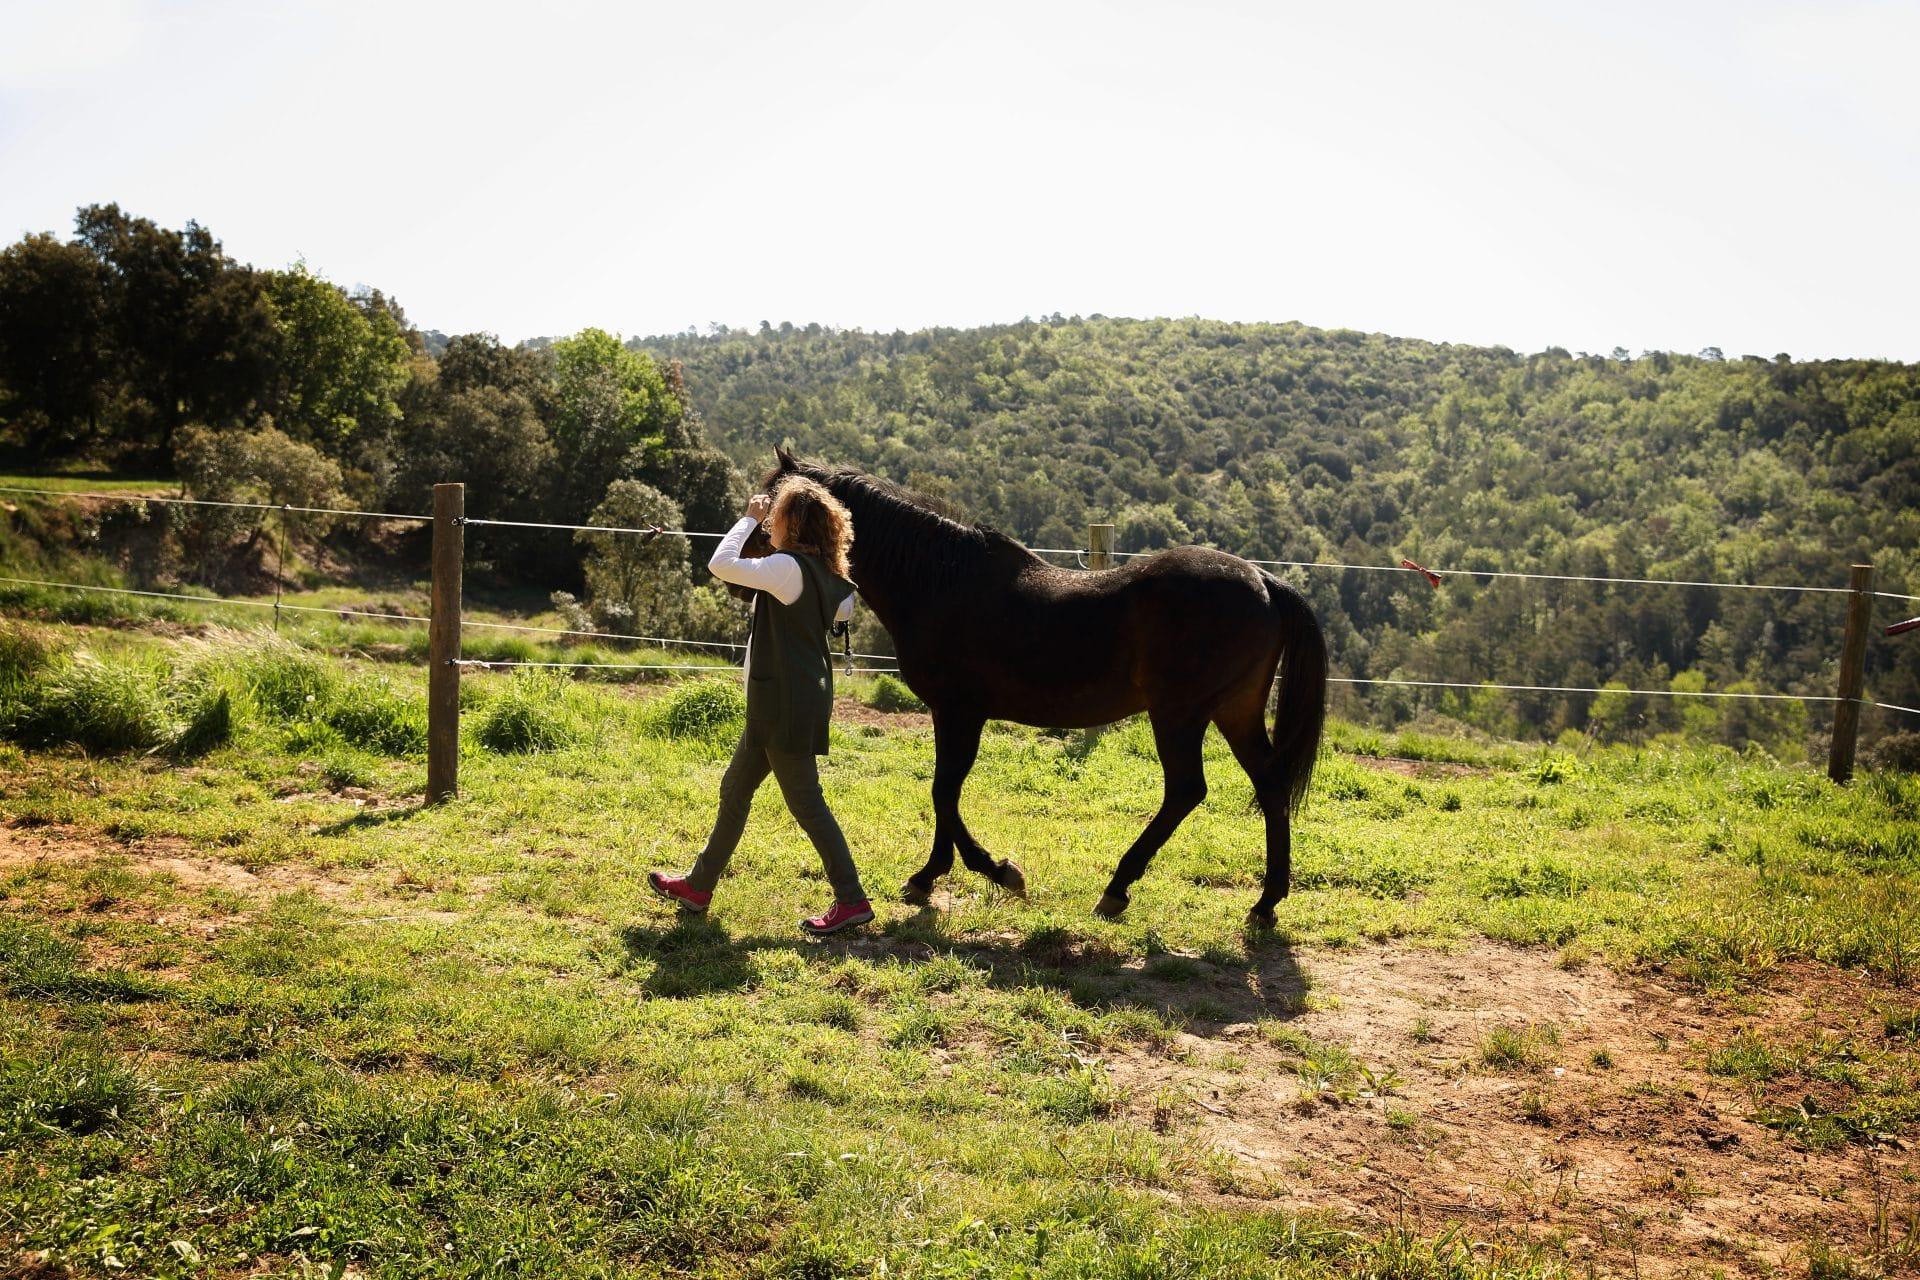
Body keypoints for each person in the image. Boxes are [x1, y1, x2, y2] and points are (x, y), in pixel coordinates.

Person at [649, 478, 873, 936]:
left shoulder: (788, 567)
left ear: (793, 524)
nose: (771, 521)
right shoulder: (829, 578)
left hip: (782, 704)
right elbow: (844, 606)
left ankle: (851, 900)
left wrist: (748, 518)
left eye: (778, 515)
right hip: (781, 698)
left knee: (807, 803)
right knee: (735, 789)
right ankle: (698, 885)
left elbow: (721, 563)